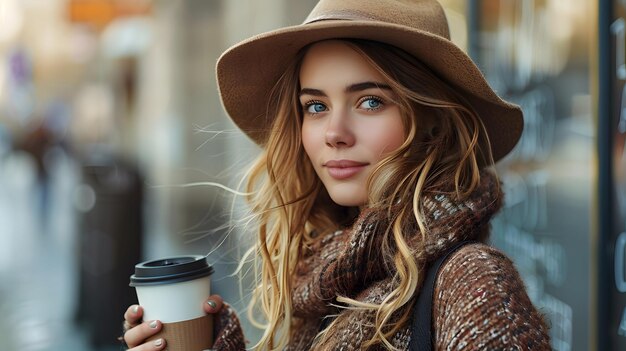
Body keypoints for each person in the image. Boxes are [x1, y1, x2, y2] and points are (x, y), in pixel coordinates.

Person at [121, 0, 552, 350]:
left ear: (432, 120)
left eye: (369, 102)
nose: (334, 134)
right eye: (316, 106)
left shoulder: (472, 282)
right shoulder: (327, 275)